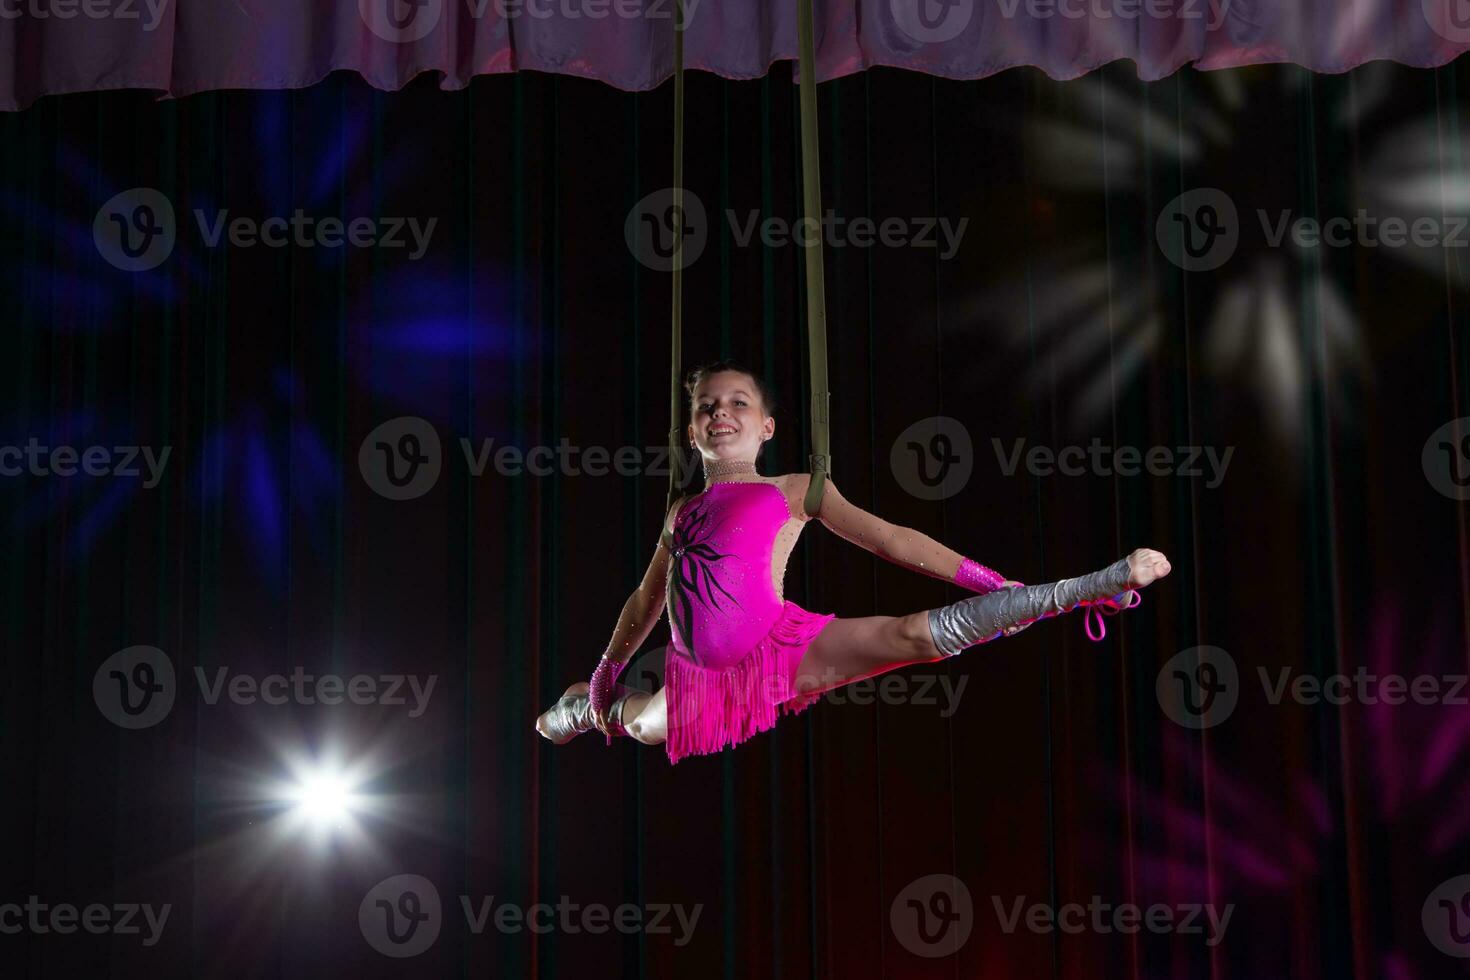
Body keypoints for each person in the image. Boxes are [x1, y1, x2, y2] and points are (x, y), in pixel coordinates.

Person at [536, 359, 1170, 764]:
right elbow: (648, 601)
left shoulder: (794, 489)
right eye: (706, 406)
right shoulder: (680, 513)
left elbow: (893, 539)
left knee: (910, 637)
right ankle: (583, 710)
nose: (720, 412)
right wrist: (604, 672)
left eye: (737, 403)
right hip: (699, 675)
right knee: (639, 724)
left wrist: (986, 579)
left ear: (768, 427)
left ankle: (1088, 587)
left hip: (779, 649)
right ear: (692, 429)